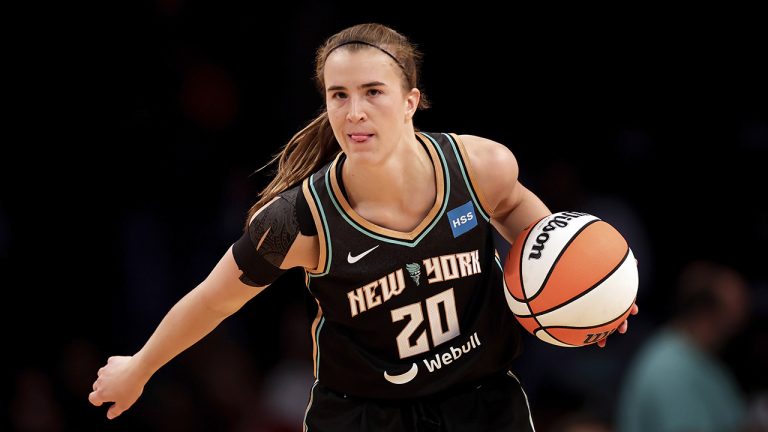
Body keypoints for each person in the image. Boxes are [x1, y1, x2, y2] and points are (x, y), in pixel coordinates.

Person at [90, 23, 638, 431]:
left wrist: (599, 301)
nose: (354, 112)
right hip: (363, 416)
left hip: (481, 401)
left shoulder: (481, 168)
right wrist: (140, 366)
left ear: (410, 102)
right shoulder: (296, 221)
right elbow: (214, 300)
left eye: (373, 92)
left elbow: (552, 252)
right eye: (339, 95)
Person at [617, 261, 748, 432]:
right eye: (732, 319)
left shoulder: (701, 359)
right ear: (705, 313)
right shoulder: (669, 369)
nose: (739, 328)